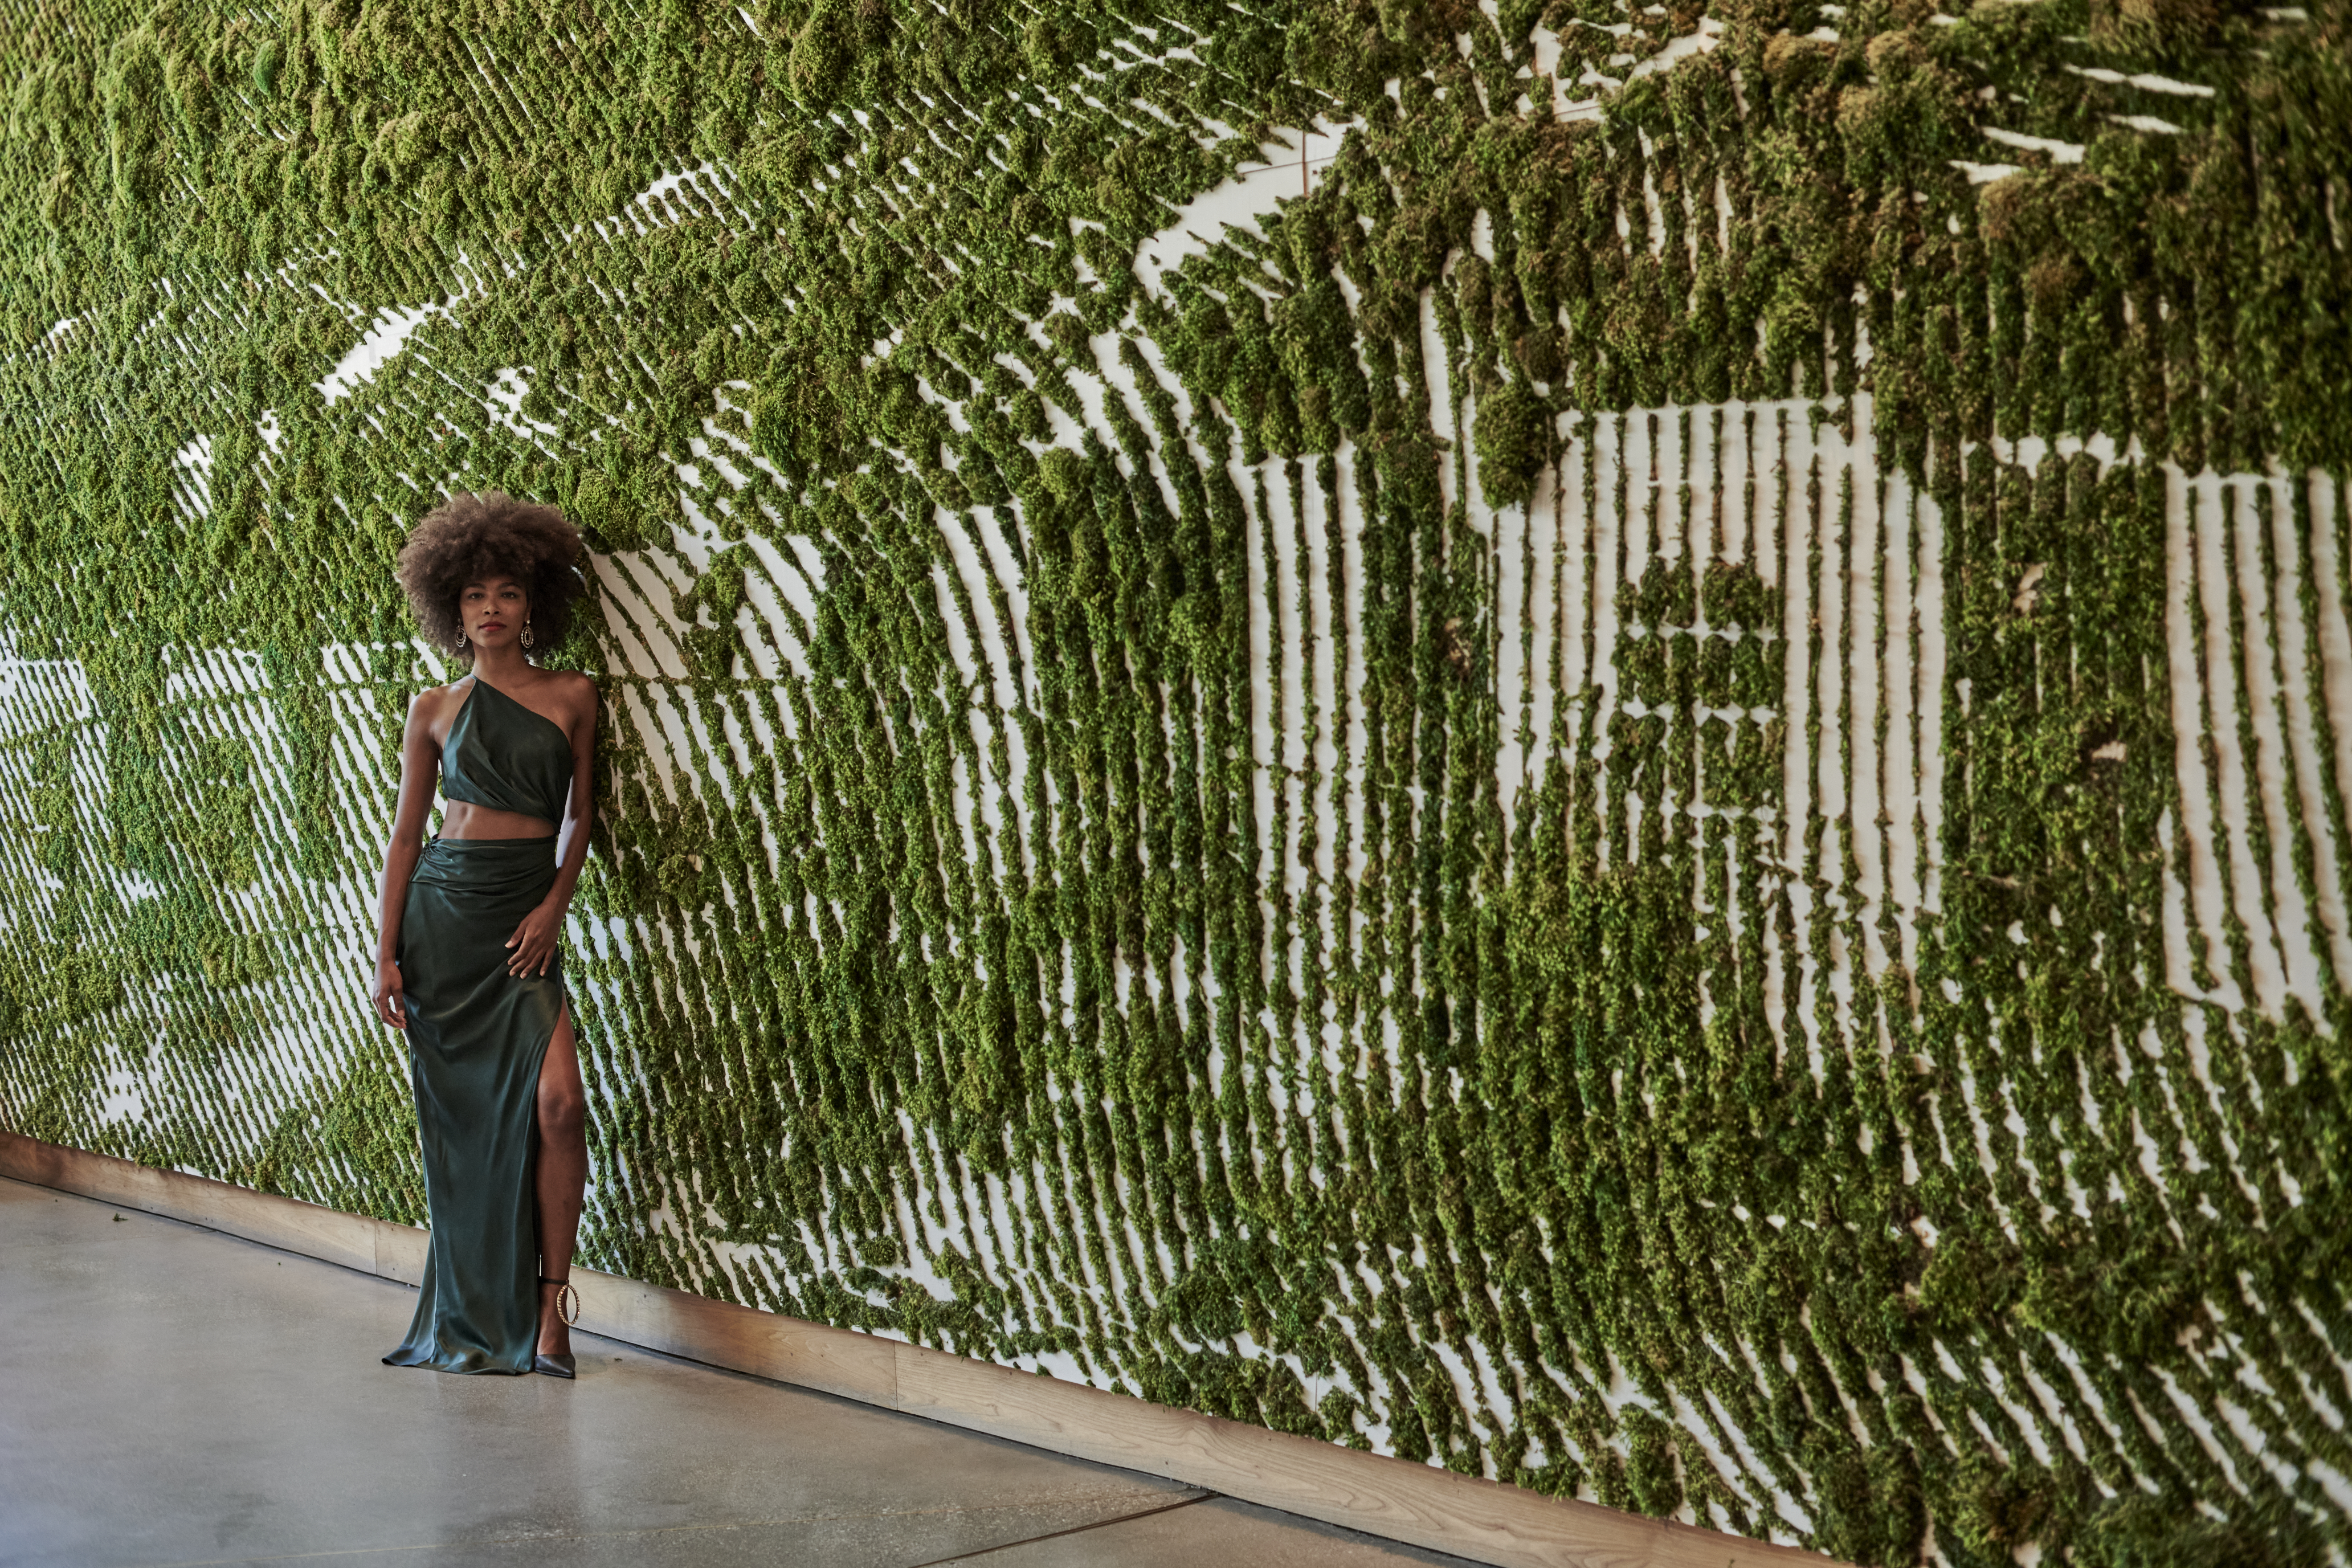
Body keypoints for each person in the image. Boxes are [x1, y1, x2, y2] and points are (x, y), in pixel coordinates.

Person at [371, 492, 600, 1378]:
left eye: (507, 591)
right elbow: (404, 835)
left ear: (532, 602)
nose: (491, 608)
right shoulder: (432, 706)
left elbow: (581, 818)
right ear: (452, 611)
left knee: (559, 1105)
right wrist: (385, 952)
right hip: (443, 922)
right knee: (462, 1132)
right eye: (474, 596)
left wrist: (554, 907)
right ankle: (472, 1311)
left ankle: (551, 1311)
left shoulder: (574, 695)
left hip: (523, 919)